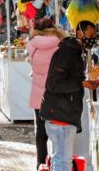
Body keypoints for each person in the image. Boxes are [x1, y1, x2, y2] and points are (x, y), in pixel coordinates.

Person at [40, 21, 99, 171]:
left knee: (60, 158)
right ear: (80, 33)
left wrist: (83, 84)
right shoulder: (67, 52)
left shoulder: (76, 52)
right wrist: (81, 85)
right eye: (90, 35)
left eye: (94, 35)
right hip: (60, 114)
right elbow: (53, 84)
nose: (93, 38)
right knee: (62, 161)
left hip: (65, 113)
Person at [26, 18, 63, 170]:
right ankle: (57, 162)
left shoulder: (31, 45)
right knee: (58, 130)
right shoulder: (60, 45)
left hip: (38, 93)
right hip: (56, 93)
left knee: (41, 131)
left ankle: (40, 163)